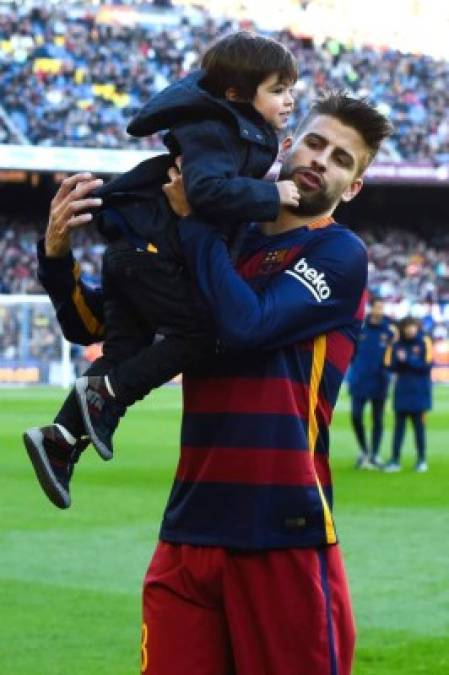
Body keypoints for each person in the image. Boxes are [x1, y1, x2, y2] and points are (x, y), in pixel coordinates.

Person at [34, 92, 392, 674]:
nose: (322, 160)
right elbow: (99, 323)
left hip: (282, 531)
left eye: (342, 160)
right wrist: (56, 257)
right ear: (288, 144)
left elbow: (245, 324)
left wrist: (193, 220)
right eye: (316, 142)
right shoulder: (225, 239)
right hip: (189, 528)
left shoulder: (337, 253)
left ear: (351, 188)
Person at [23, 31, 300, 505]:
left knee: (122, 352)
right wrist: (271, 194)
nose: (290, 99)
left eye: (292, 88)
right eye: (278, 89)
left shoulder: (231, 130)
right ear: (236, 94)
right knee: (199, 333)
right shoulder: (220, 130)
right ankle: (107, 397)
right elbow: (208, 192)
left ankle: (60, 443)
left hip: (133, 256)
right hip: (149, 256)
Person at [347, 297, 396, 469]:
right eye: (377, 307)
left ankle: (374, 454)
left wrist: (387, 374)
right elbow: (351, 355)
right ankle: (364, 450)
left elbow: (393, 357)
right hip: (359, 380)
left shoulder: (389, 332)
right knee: (356, 416)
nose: (380, 310)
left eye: (382, 307)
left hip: (379, 382)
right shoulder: (360, 328)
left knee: (377, 419)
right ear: (371, 308)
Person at [383, 316, 433, 473]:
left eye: (413, 326)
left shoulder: (424, 342)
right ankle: (395, 460)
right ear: (402, 328)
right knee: (399, 429)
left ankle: (421, 459)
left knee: (419, 428)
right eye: (407, 327)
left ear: (416, 327)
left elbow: (426, 366)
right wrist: (399, 361)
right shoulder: (397, 345)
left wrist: (408, 360)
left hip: (420, 393)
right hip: (402, 392)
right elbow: (390, 366)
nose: (410, 329)